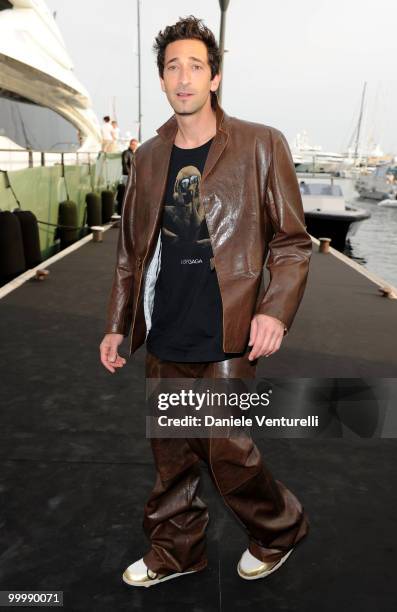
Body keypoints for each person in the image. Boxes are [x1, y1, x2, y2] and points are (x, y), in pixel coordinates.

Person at [100, 16, 312, 588]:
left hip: (228, 327)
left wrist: (275, 309)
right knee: (170, 459)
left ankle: (280, 528)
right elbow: (130, 252)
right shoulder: (146, 158)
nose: (184, 77)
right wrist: (119, 324)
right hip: (165, 328)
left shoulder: (261, 145)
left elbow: (293, 242)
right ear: (163, 80)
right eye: (173, 67)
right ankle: (178, 550)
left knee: (226, 453)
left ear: (214, 77)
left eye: (196, 66)